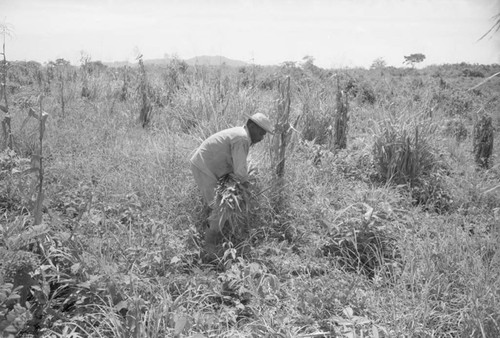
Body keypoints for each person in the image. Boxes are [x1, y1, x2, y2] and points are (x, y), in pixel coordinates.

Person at [190, 113, 274, 262]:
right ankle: (208, 248)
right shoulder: (241, 138)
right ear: (252, 126)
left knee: (217, 206)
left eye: (264, 134)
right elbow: (241, 172)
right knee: (220, 209)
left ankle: (208, 233)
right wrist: (247, 189)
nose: (262, 138)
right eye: (261, 133)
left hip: (207, 167)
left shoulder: (241, 135)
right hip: (204, 167)